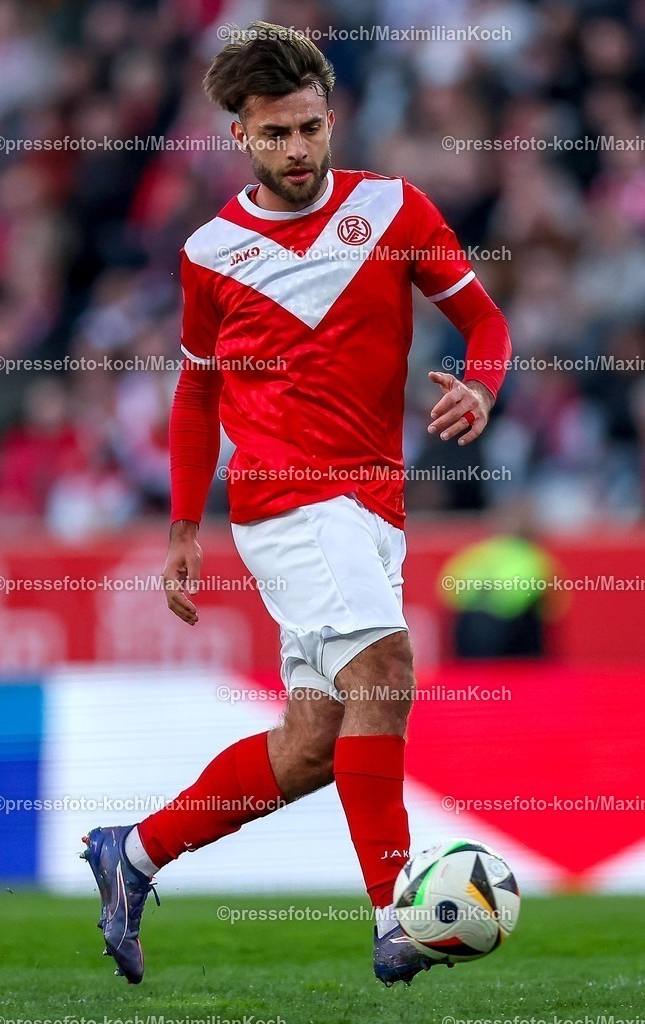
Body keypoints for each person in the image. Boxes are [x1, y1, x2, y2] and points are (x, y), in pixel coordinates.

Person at [81, 22, 511, 988]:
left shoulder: (394, 209)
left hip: (376, 508)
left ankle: (133, 853)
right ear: (241, 135)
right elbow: (196, 394)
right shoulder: (210, 253)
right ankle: (396, 914)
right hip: (288, 501)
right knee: (388, 670)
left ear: (333, 117)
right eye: (274, 135)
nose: (297, 151)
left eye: (310, 129)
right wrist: (184, 526)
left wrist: (480, 386)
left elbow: (483, 321)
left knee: (316, 742)